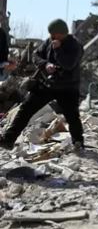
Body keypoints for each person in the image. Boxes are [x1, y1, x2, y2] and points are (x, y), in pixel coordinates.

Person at [0, 19, 84, 152]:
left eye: (54, 34)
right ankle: (8, 140)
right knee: (26, 110)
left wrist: (58, 49)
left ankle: (78, 142)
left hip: (67, 87)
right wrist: (46, 64)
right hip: (46, 84)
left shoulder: (75, 45)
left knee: (72, 116)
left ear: (62, 33)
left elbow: (69, 64)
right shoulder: (49, 42)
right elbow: (36, 56)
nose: (52, 37)